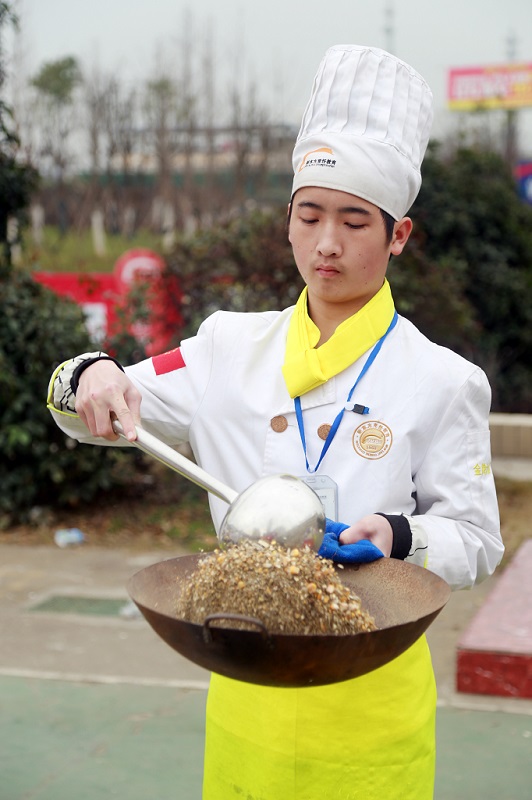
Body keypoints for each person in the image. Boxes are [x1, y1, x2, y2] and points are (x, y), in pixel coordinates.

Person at [48, 45, 503, 800]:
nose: (327, 244)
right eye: (310, 215)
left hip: (372, 701)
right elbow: (92, 408)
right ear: (288, 218)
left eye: (354, 222)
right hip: (246, 678)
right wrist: (91, 372)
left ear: (398, 236)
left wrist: (398, 535)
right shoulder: (227, 347)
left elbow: (478, 540)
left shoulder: (444, 380)